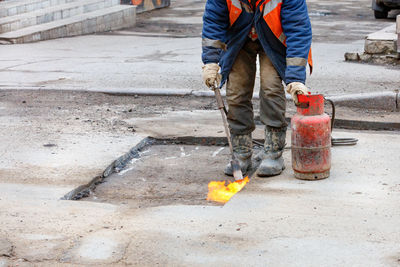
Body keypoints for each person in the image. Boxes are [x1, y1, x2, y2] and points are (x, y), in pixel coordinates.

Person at [201, 0, 313, 177]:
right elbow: (214, 21)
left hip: (274, 41)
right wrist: (210, 61)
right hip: (239, 39)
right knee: (236, 92)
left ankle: (273, 153)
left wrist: (295, 79)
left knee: (271, 88)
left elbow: (298, 29)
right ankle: (241, 152)